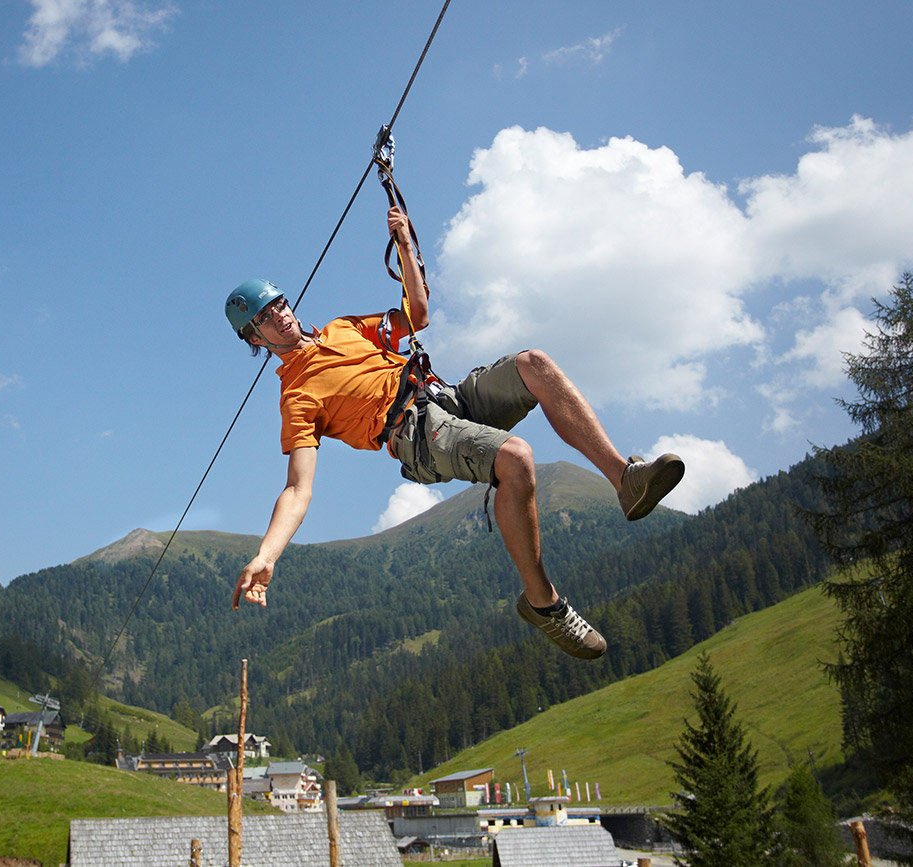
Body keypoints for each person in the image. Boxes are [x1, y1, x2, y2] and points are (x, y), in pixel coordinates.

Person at [226, 206, 684, 659]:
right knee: (516, 457)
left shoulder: (343, 329)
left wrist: (405, 244)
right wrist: (267, 555)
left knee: (533, 364)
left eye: (280, 303)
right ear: (254, 340)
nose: (280, 316)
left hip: (445, 396)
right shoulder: (297, 396)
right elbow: (297, 488)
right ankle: (544, 604)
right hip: (416, 435)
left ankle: (625, 479)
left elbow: (418, 315)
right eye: (265, 317)